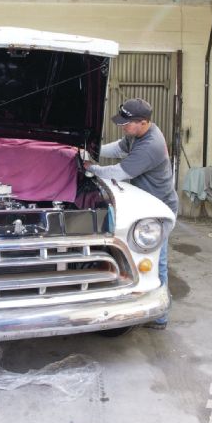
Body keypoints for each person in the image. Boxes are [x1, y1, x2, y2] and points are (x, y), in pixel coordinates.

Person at [83, 98, 178, 329]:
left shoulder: (151, 145)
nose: (123, 126)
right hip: (144, 202)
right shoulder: (136, 134)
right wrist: (90, 149)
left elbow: (119, 172)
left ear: (143, 122)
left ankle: (160, 317)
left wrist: (90, 168)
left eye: (127, 123)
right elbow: (118, 148)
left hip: (158, 208)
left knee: (157, 262)